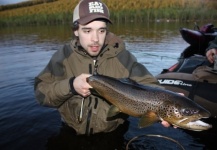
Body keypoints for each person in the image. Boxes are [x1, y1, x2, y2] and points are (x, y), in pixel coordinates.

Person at [34, 0, 170, 136]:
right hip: (70, 132)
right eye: (87, 30)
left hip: (114, 133)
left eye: (101, 30)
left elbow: (149, 85)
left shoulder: (123, 57)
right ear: (76, 30)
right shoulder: (62, 57)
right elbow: (41, 94)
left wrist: (171, 101)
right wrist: (71, 86)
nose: (95, 39)